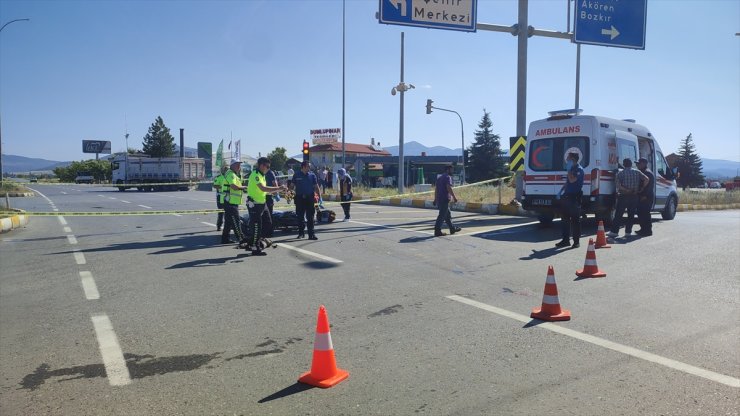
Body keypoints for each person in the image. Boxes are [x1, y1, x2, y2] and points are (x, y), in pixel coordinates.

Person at [245, 157, 285, 255]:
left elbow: (263, 191)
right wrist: (278, 188)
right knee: (256, 226)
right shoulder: (255, 175)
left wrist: (275, 193)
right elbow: (263, 188)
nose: (268, 168)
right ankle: (255, 247)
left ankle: (254, 242)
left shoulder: (262, 175)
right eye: (267, 166)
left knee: (268, 223)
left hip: (262, 203)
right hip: (254, 204)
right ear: (261, 165)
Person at [608, 158, 649, 238]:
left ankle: (614, 232)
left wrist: (626, 189)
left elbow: (618, 185)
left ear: (624, 164)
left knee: (619, 214)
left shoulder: (620, 173)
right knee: (631, 215)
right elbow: (647, 179)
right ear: (631, 164)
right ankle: (628, 232)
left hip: (624, 196)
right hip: (634, 196)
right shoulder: (637, 172)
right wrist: (642, 188)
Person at [555, 152, 584, 248]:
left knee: (575, 220)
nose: (566, 159)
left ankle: (576, 242)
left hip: (575, 197)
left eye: (568, 158)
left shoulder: (579, 169)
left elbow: (572, 180)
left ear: (573, 159)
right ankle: (565, 240)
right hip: (567, 197)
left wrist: (568, 171)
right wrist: (560, 191)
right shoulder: (571, 168)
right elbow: (568, 182)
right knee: (565, 220)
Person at [290, 161, 321, 240]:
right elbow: (292, 186)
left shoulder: (312, 175)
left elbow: (316, 186)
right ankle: (301, 233)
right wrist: (289, 194)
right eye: (308, 166)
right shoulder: (296, 175)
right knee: (300, 217)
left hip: (310, 198)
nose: (309, 168)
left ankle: (311, 234)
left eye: (309, 167)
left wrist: (319, 196)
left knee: (310, 217)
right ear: (303, 167)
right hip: (299, 198)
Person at [221, 159, 248, 245]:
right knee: (236, 221)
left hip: (231, 201)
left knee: (228, 222)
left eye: (239, 165)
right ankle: (241, 239)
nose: (239, 166)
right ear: (232, 165)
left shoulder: (234, 174)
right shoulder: (231, 174)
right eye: (237, 165)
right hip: (230, 202)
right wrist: (244, 187)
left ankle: (225, 239)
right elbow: (234, 187)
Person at [433, 165, 461, 237]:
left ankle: (452, 229)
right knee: (442, 215)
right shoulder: (447, 177)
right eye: (452, 170)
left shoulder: (439, 178)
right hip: (445, 199)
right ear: (448, 170)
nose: (452, 171)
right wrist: (454, 197)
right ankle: (437, 231)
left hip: (439, 199)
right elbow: (448, 187)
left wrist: (435, 199)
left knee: (447, 215)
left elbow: (436, 190)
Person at [636, 157, 655, 236]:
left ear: (644, 164)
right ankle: (643, 229)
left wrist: (644, 195)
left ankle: (648, 230)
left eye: (639, 163)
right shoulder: (643, 171)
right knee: (641, 213)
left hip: (646, 196)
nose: (637, 165)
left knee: (645, 213)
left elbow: (649, 186)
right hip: (643, 196)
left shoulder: (647, 173)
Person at [263, 166, 279, 238]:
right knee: (264, 215)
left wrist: (276, 193)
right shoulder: (263, 173)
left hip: (269, 196)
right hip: (263, 196)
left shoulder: (270, 173)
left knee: (269, 214)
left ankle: (269, 232)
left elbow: (274, 183)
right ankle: (265, 231)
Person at [212, 166, 228, 231]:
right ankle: (219, 225)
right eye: (224, 170)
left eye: (226, 170)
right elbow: (214, 185)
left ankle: (228, 226)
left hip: (227, 197)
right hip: (220, 197)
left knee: (228, 212)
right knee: (221, 212)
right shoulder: (219, 177)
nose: (226, 171)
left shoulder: (229, 177)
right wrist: (221, 187)